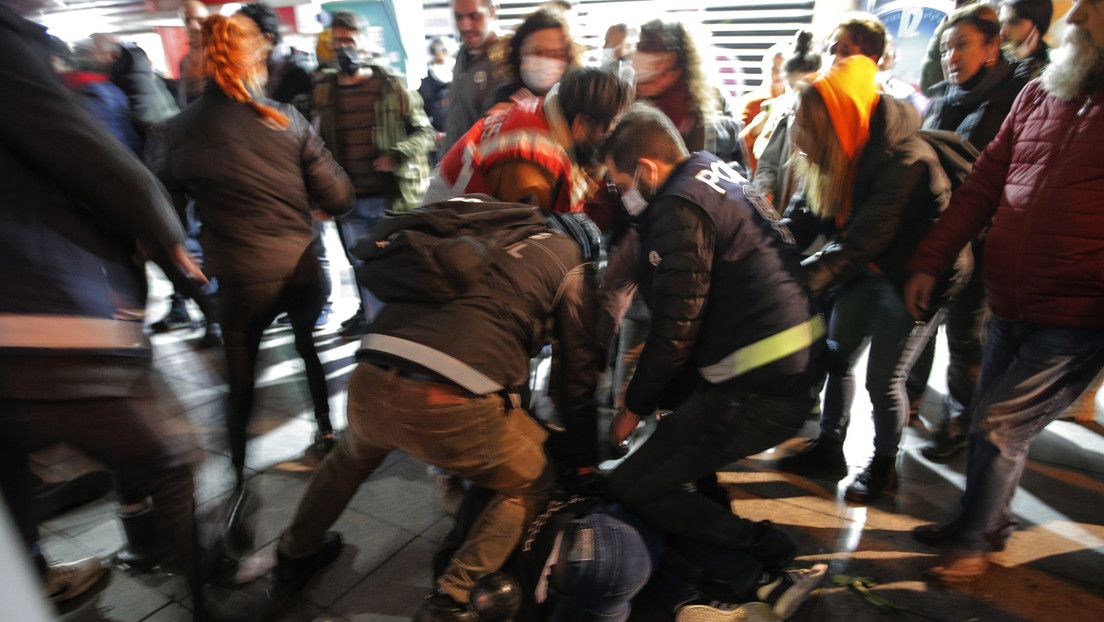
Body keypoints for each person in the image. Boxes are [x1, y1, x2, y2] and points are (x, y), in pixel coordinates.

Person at [257, 195, 602, 622]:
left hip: (370, 374)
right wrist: (584, 459)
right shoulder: (571, 260)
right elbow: (578, 374)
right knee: (532, 481)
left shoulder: (491, 226)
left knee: (347, 460)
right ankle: (452, 599)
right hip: (446, 401)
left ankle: (293, 557)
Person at [0, 0, 206, 613]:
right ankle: (204, 592)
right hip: (40, 314)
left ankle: (33, 574)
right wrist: (164, 230)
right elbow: (87, 154)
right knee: (170, 461)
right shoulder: (12, 47)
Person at [905, 0, 1104, 580]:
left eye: (1090, 8)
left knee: (998, 423)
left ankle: (973, 544)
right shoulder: (1040, 93)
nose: (1073, 18)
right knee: (987, 421)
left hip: (1077, 313)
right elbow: (983, 186)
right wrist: (931, 257)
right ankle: (982, 523)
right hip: (1011, 299)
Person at [600, 104, 824, 564]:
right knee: (676, 440)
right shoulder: (708, 171)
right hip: (782, 364)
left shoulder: (677, 208)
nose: (623, 198)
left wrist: (631, 410)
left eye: (621, 186)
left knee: (633, 486)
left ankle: (761, 550)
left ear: (646, 169)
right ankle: (711, 518)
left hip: (759, 385)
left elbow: (675, 329)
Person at [148, 14, 355, 485]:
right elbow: (340, 197)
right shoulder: (287, 120)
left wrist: (181, 256)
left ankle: (238, 477)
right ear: (256, 60)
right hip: (301, 267)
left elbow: (162, 213)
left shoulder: (175, 131)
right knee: (308, 349)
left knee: (240, 384)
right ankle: (325, 432)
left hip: (239, 278)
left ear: (203, 61)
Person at [774, 55, 953, 503]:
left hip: (911, 278)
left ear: (834, 125)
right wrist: (761, 253)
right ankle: (829, 447)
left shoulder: (905, 161)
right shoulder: (837, 152)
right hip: (866, 270)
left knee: (884, 379)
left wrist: (783, 286)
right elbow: (800, 220)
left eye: (805, 127)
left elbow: (859, 244)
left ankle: (885, 465)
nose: (798, 138)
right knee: (837, 356)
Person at [909, 3, 1030, 462]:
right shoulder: (941, 97)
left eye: (961, 45)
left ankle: (962, 422)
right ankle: (909, 400)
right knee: (919, 323)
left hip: (980, 239)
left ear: (993, 46)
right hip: (933, 232)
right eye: (945, 49)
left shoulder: (1016, 97)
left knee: (965, 335)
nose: (951, 57)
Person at [313, 10, 435, 338]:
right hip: (349, 201)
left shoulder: (392, 86)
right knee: (364, 269)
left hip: (391, 199)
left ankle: (409, 331)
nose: (343, 48)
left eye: (350, 41)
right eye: (337, 41)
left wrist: (397, 154)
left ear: (365, 43)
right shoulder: (325, 91)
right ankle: (380, 334)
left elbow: (424, 133)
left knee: (397, 265)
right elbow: (317, 145)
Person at [425, 67, 632, 213]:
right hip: (449, 236)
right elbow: (523, 246)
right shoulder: (533, 168)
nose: (609, 138)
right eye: (609, 129)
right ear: (581, 124)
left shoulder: (545, 113)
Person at [754, 19, 884, 214]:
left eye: (846, 51)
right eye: (832, 50)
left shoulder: (874, 121)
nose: (834, 58)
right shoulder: (800, 101)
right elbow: (769, 160)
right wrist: (765, 193)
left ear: (870, 60)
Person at [631, 19, 725, 152]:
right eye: (638, 46)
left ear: (670, 58)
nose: (637, 53)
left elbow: (698, 159)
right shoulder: (630, 94)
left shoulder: (691, 105)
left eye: (645, 47)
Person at [486, 7, 581, 110]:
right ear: (519, 54)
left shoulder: (580, 96)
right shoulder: (504, 95)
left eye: (557, 55)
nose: (545, 63)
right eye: (537, 52)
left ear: (569, 57)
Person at [441, 0, 503, 154]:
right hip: (454, 161)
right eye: (459, 17)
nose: (465, 26)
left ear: (493, 12)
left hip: (484, 163)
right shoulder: (462, 54)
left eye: (475, 16)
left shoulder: (506, 58)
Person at [999, 0, 1053, 79]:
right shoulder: (996, 57)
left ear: (1037, 26)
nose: (1003, 32)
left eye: (1013, 22)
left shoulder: (1051, 68)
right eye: (1001, 24)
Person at [420, 37, 453, 164]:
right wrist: (432, 135)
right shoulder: (426, 86)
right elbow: (421, 117)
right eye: (435, 61)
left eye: (441, 60)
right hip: (438, 146)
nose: (438, 65)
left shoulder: (462, 83)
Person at [177, 0, 209, 108]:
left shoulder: (224, 56)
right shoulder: (185, 62)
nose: (194, 26)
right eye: (188, 21)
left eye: (200, 20)